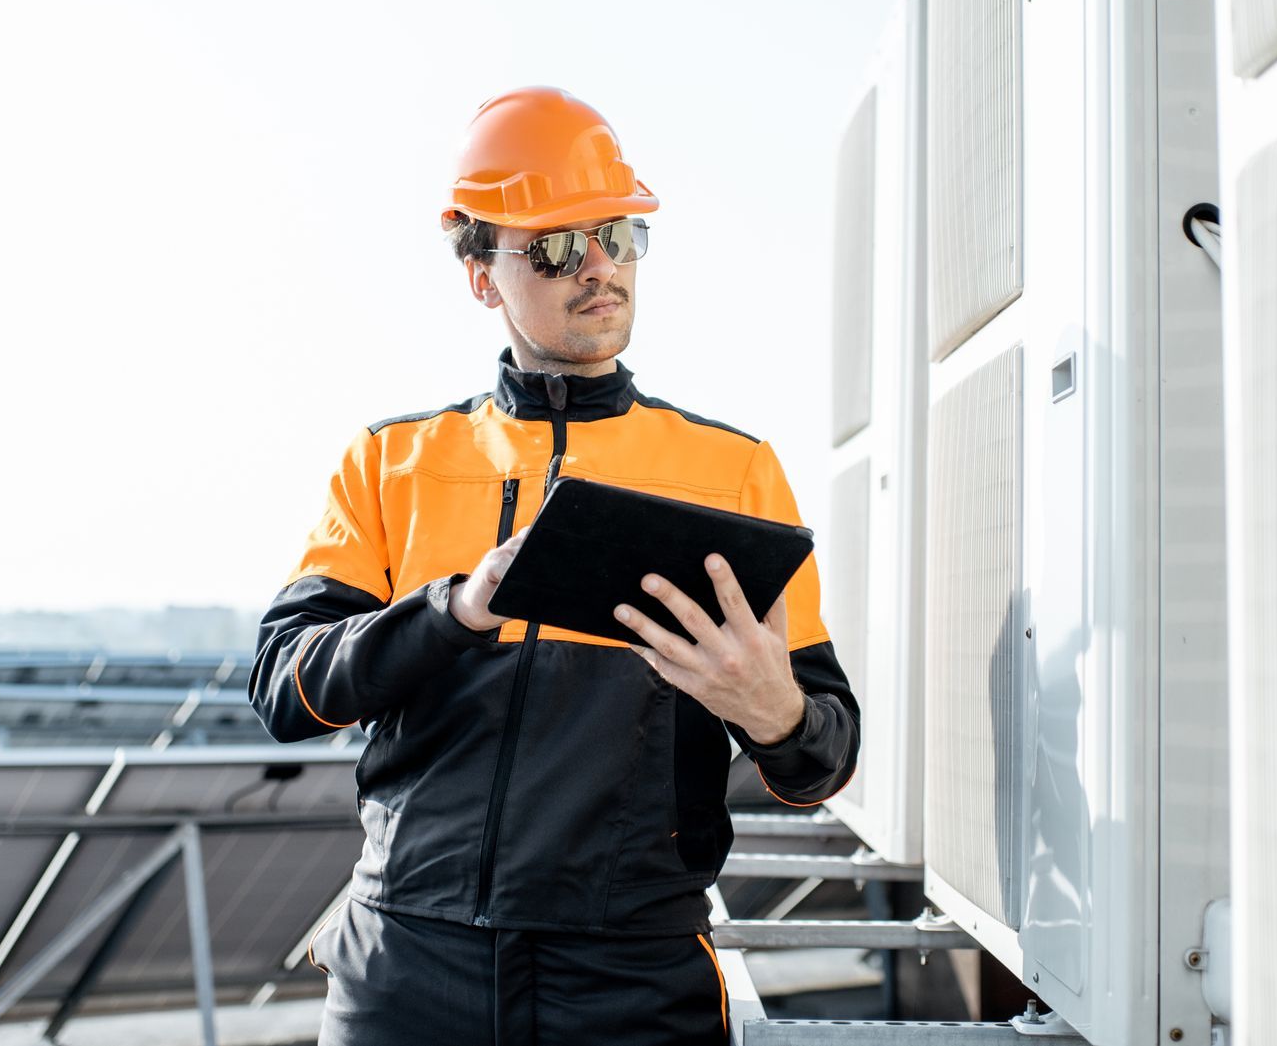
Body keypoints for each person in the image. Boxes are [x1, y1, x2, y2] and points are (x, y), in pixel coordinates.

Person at [249, 85, 860, 1046]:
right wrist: (454, 610)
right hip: (409, 964)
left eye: (616, 235)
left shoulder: (734, 472)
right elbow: (285, 686)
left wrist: (774, 712)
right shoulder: (392, 462)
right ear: (480, 274)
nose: (600, 266)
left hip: (631, 978)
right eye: (556, 247)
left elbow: (824, 759)